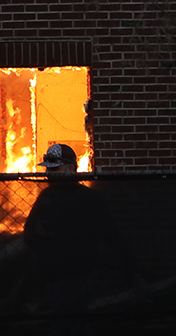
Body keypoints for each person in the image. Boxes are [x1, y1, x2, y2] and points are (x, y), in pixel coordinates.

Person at [23, 143, 131, 334]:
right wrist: (38, 232)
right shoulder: (47, 197)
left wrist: (132, 271)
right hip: (53, 275)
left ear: (71, 168)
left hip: (78, 274)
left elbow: (111, 235)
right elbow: (29, 235)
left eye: (56, 168)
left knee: (71, 321)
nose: (50, 173)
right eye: (49, 168)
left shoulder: (88, 200)